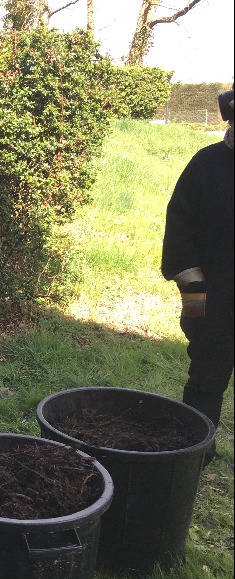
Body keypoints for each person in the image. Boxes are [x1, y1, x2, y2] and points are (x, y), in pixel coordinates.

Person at [161, 84, 234, 466]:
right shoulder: (206, 165)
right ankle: (195, 449)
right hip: (209, 294)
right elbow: (179, 232)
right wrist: (194, 293)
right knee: (206, 373)